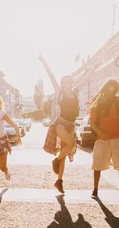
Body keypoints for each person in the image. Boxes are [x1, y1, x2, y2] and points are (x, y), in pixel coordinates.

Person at [38, 53, 79, 195]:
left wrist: (96, 66)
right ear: (62, 84)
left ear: (72, 83)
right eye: (65, 82)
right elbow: (51, 77)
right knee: (71, 145)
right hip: (60, 124)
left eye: (69, 82)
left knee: (65, 150)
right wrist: (44, 61)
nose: (67, 84)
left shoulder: (76, 93)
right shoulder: (59, 92)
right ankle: (56, 161)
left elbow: (87, 76)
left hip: (71, 126)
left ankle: (59, 181)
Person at [87, 79, 119, 199]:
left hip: (117, 137)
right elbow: (92, 123)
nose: (111, 92)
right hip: (102, 139)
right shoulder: (97, 103)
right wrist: (101, 133)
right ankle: (95, 189)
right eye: (109, 89)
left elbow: (118, 118)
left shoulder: (118, 101)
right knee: (98, 165)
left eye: (114, 90)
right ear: (105, 88)